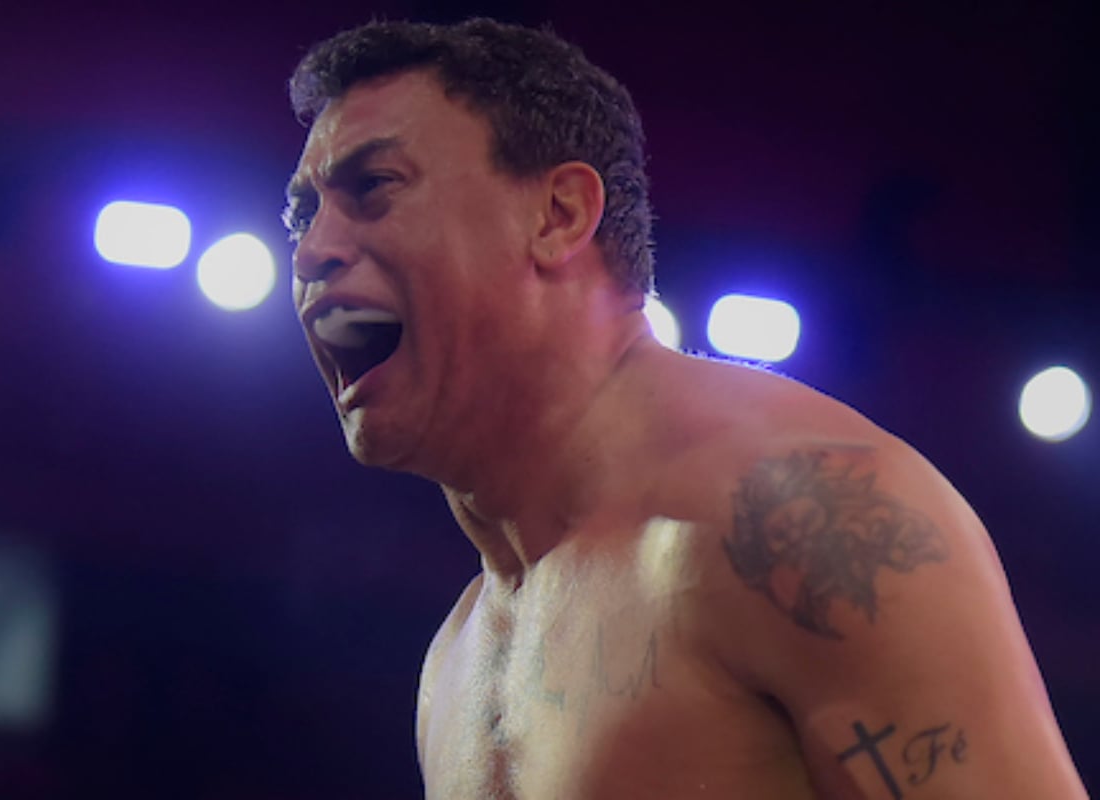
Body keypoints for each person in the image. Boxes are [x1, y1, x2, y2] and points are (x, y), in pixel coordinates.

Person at [282, 18, 1088, 799]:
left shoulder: (805, 520)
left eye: (373, 186)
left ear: (559, 215)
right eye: (301, 217)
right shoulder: (456, 656)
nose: (313, 249)